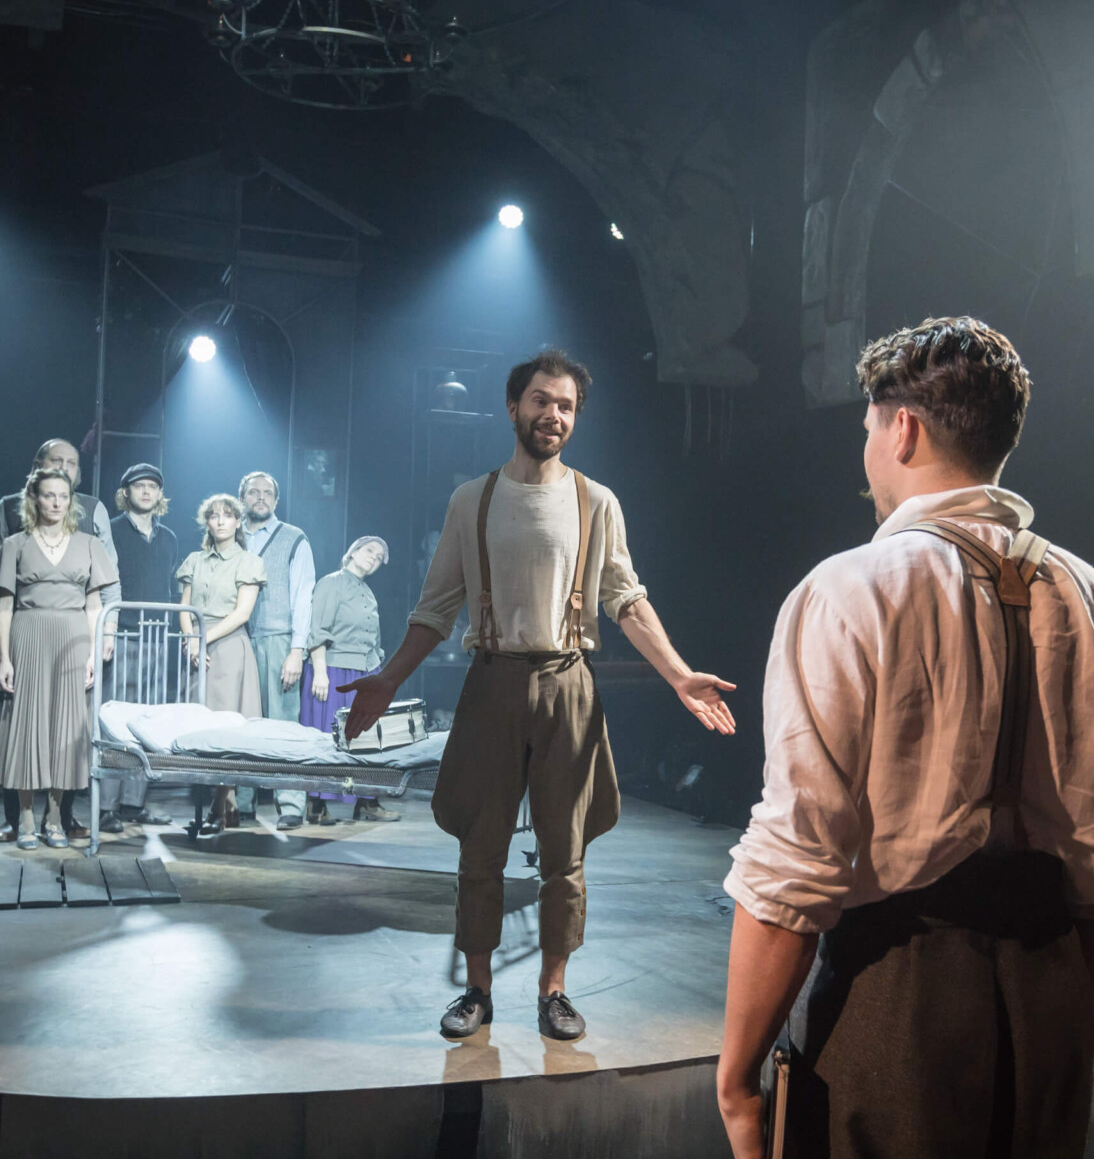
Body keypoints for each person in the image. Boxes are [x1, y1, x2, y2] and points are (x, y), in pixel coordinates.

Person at [714, 317, 1094, 1159]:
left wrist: (737, 1077)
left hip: (896, 998)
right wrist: (1047, 1012)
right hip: (1053, 996)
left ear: (904, 429)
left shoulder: (850, 590)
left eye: (868, 429)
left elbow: (795, 866)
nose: (867, 453)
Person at [341, 348, 738, 1043]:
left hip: (567, 683)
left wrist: (678, 674)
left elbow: (627, 600)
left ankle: (554, 991)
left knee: (565, 850)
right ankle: (477, 990)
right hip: (491, 681)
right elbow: (435, 610)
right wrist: (388, 677)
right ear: (512, 407)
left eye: (566, 406)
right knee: (480, 846)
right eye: (541, 400)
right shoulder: (473, 500)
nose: (553, 414)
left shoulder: (595, 501)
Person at [0, 438, 119, 844]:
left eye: (63, 496)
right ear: (35, 499)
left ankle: (55, 818)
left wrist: (93, 652)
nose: (56, 503)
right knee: (26, 728)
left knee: (66, 730)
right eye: (48, 496)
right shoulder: (14, 544)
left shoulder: (88, 544)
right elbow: (4, 604)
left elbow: (96, 604)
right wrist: (5, 658)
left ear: (71, 501)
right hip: (28, 638)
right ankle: (24, 818)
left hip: (72, 642)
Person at [176, 492, 267, 834]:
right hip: (197, 647)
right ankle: (223, 805)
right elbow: (185, 608)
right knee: (200, 726)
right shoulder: (195, 560)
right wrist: (191, 639)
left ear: (238, 521)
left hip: (228, 646)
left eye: (227, 515)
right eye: (214, 516)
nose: (220, 521)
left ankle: (220, 805)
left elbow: (242, 613)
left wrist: (203, 638)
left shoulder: (248, 561)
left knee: (227, 727)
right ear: (207, 523)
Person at [97, 463, 181, 833]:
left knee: (146, 721)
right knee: (114, 722)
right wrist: (108, 631)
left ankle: (134, 803)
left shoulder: (169, 538)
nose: (146, 492)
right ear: (126, 492)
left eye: (152, 486)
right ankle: (106, 807)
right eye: (139, 486)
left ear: (160, 494)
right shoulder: (112, 531)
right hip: (121, 636)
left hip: (157, 639)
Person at [233, 470, 318, 827]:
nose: (261, 498)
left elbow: (303, 596)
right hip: (237, 640)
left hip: (278, 639)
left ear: (277, 500)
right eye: (253, 492)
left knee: (283, 725)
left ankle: (291, 804)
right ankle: (241, 802)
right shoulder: (231, 534)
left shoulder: (293, 538)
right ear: (242, 498)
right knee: (242, 722)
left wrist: (297, 650)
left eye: (268, 493)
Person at [302, 535, 400, 825]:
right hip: (334, 671)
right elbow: (318, 630)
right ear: (353, 552)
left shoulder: (367, 593)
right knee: (328, 738)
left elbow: (374, 641)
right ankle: (316, 804)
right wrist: (320, 672)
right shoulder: (332, 583)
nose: (374, 558)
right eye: (370, 550)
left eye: (379, 557)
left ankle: (367, 802)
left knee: (365, 738)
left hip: (364, 673)